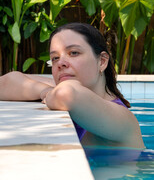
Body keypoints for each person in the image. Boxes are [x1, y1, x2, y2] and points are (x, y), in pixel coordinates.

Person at [0, 22, 145, 149]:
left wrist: (53, 92)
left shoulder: (121, 118)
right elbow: (6, 82)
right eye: (55, 58)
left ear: (102, 61)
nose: (61, 63)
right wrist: (45, 90)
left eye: (74, 53)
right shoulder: (69, 89)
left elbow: (66, 94)